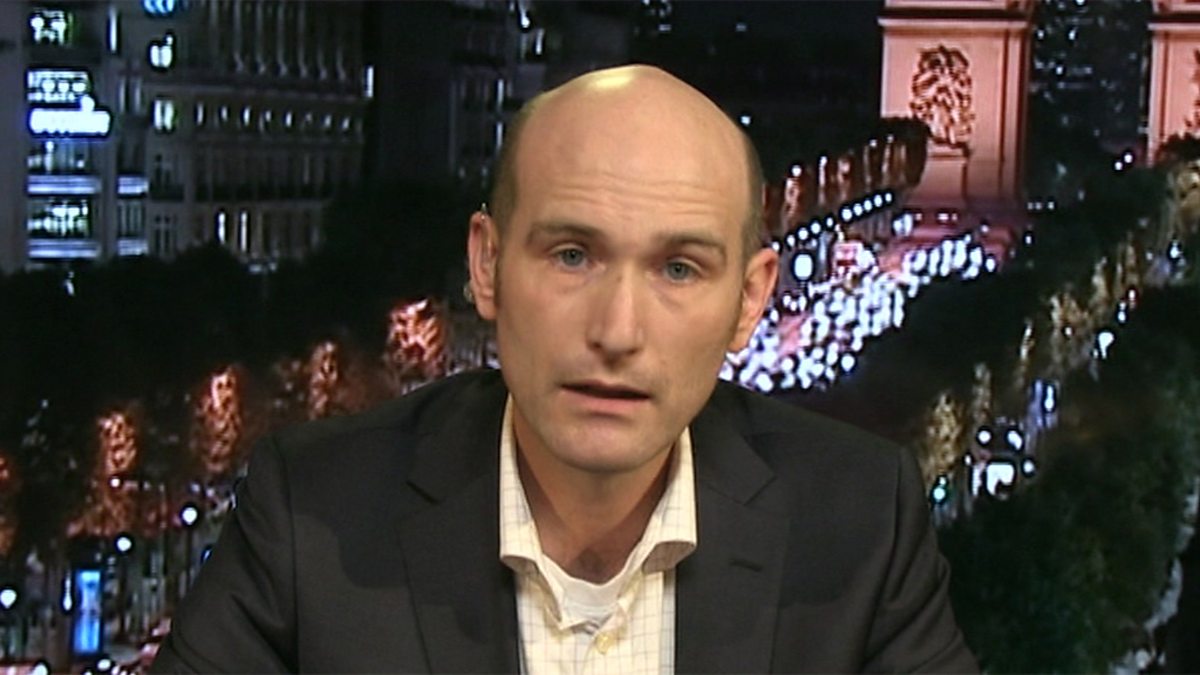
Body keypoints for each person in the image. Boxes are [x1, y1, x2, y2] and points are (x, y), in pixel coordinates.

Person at [151, 65, 977, 673]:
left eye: (678, 269)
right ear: (486, 266)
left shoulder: (861, 523)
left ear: (750, 300)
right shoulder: (313, 514)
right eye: (573, 255)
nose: (617, 331)